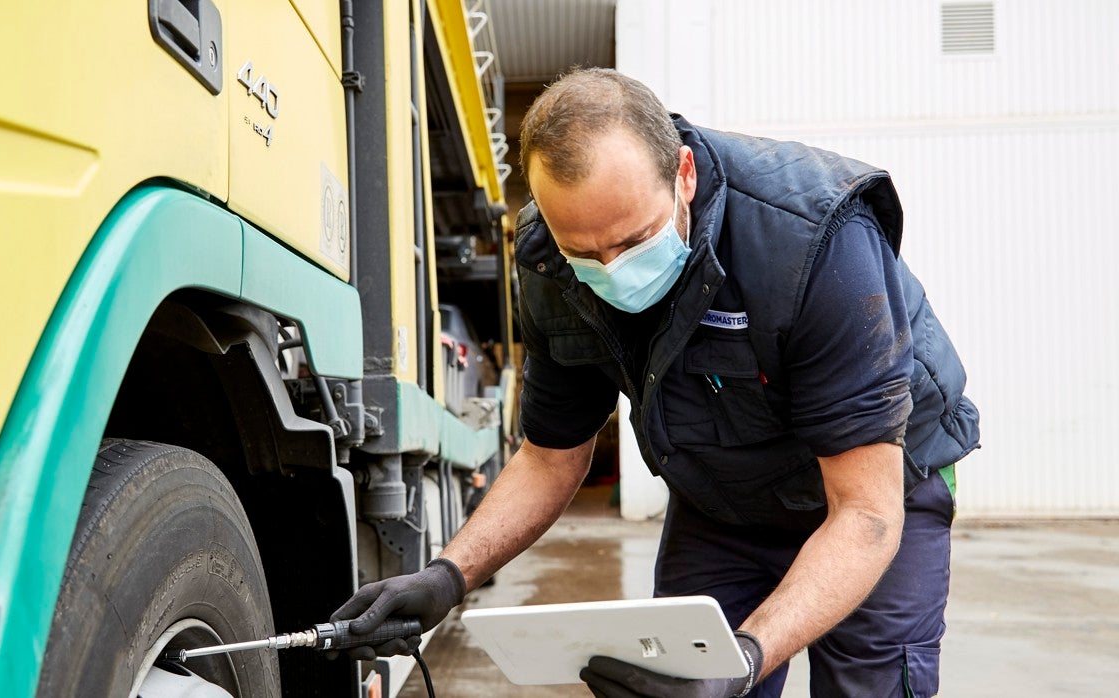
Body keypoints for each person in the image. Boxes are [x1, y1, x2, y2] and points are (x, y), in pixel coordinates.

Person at [331, 68, 979, 697]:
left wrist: (746, 659)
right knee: (675, 684)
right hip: (722, 500)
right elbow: (551, 457)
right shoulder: (547, 261)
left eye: (634, 240)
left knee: (869, 683)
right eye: (584, 253)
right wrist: (448, 575)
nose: (612, 271)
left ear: (685, 176)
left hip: (882, 484)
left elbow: (865, 514)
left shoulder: (811, 243)